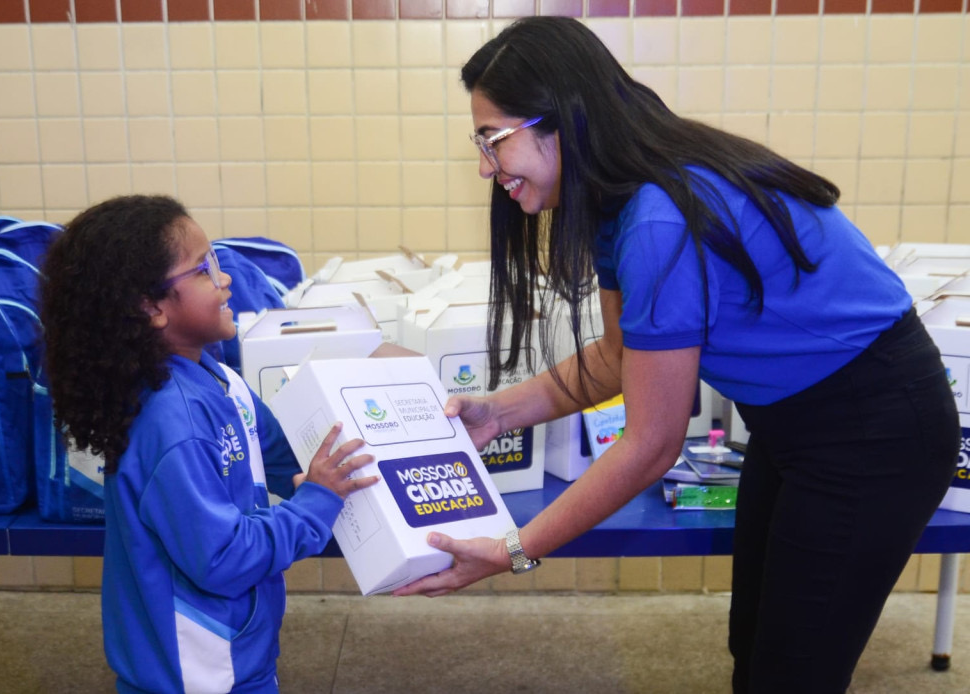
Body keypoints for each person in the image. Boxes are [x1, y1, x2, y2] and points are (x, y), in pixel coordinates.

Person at [393, 16, 961, 694]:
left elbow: (651, 444)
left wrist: (514, 550)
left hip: (875, 427)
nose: (488, 168)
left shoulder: (660, 217)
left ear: (564, 121)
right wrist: (499, 413)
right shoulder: (616, 201)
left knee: (794, 671)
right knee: (755, 645)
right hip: (794, 426)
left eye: (494, 141)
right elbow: (614, 356)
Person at [40, 194, 378, 694]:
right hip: (193, 672)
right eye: (202, 270)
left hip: (232, 656)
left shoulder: (218, 378)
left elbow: (283, 455)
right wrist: (316, 503)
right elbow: (222, 559)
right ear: (151, 306)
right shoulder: (170, 423)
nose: (225, 280)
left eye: (215, 261)